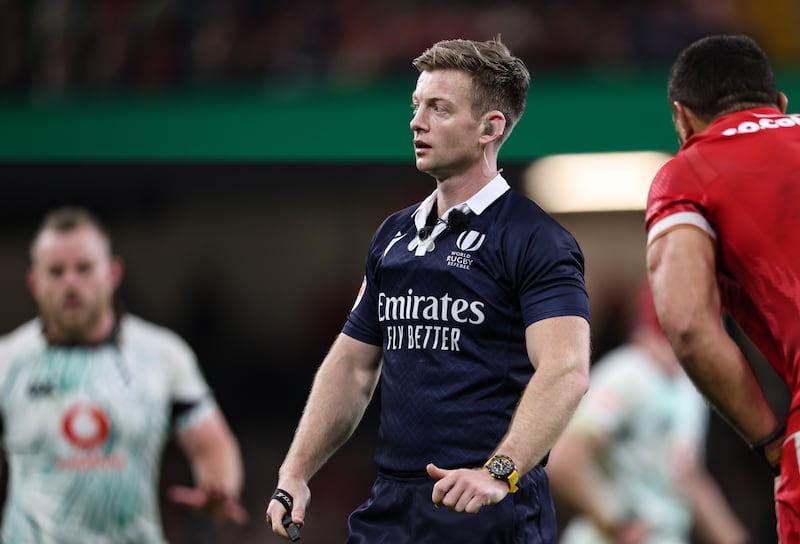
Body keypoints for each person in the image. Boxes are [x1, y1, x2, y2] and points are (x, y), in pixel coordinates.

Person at [265, 37, 591, 543]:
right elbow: (352, 366)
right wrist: (295, 472)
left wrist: (498, 472)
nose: (417, 122)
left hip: (490, 509)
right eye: (417, 106)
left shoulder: (537, 239)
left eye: (439, 109)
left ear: (491, 128)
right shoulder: (392, 236)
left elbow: (566, 369)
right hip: (392, 507)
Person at [0, 206, 247, 543]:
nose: (70, 282)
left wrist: (220, 489)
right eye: (56, 271)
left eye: (84, 268)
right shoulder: (8, 361)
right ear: (34, 281)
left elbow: (213, 445)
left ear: (113, 273)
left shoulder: (162, 355)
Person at [645, 34, 800, 542]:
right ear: (780, 105)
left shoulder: (687, 173)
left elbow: (688, 325)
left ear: (682, 119)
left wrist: (773, 443)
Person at [547, 282, 749, 544]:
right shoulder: (628, 373)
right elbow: (565, 459)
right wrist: (616, 520)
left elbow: (687, 475)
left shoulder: (689, 385)